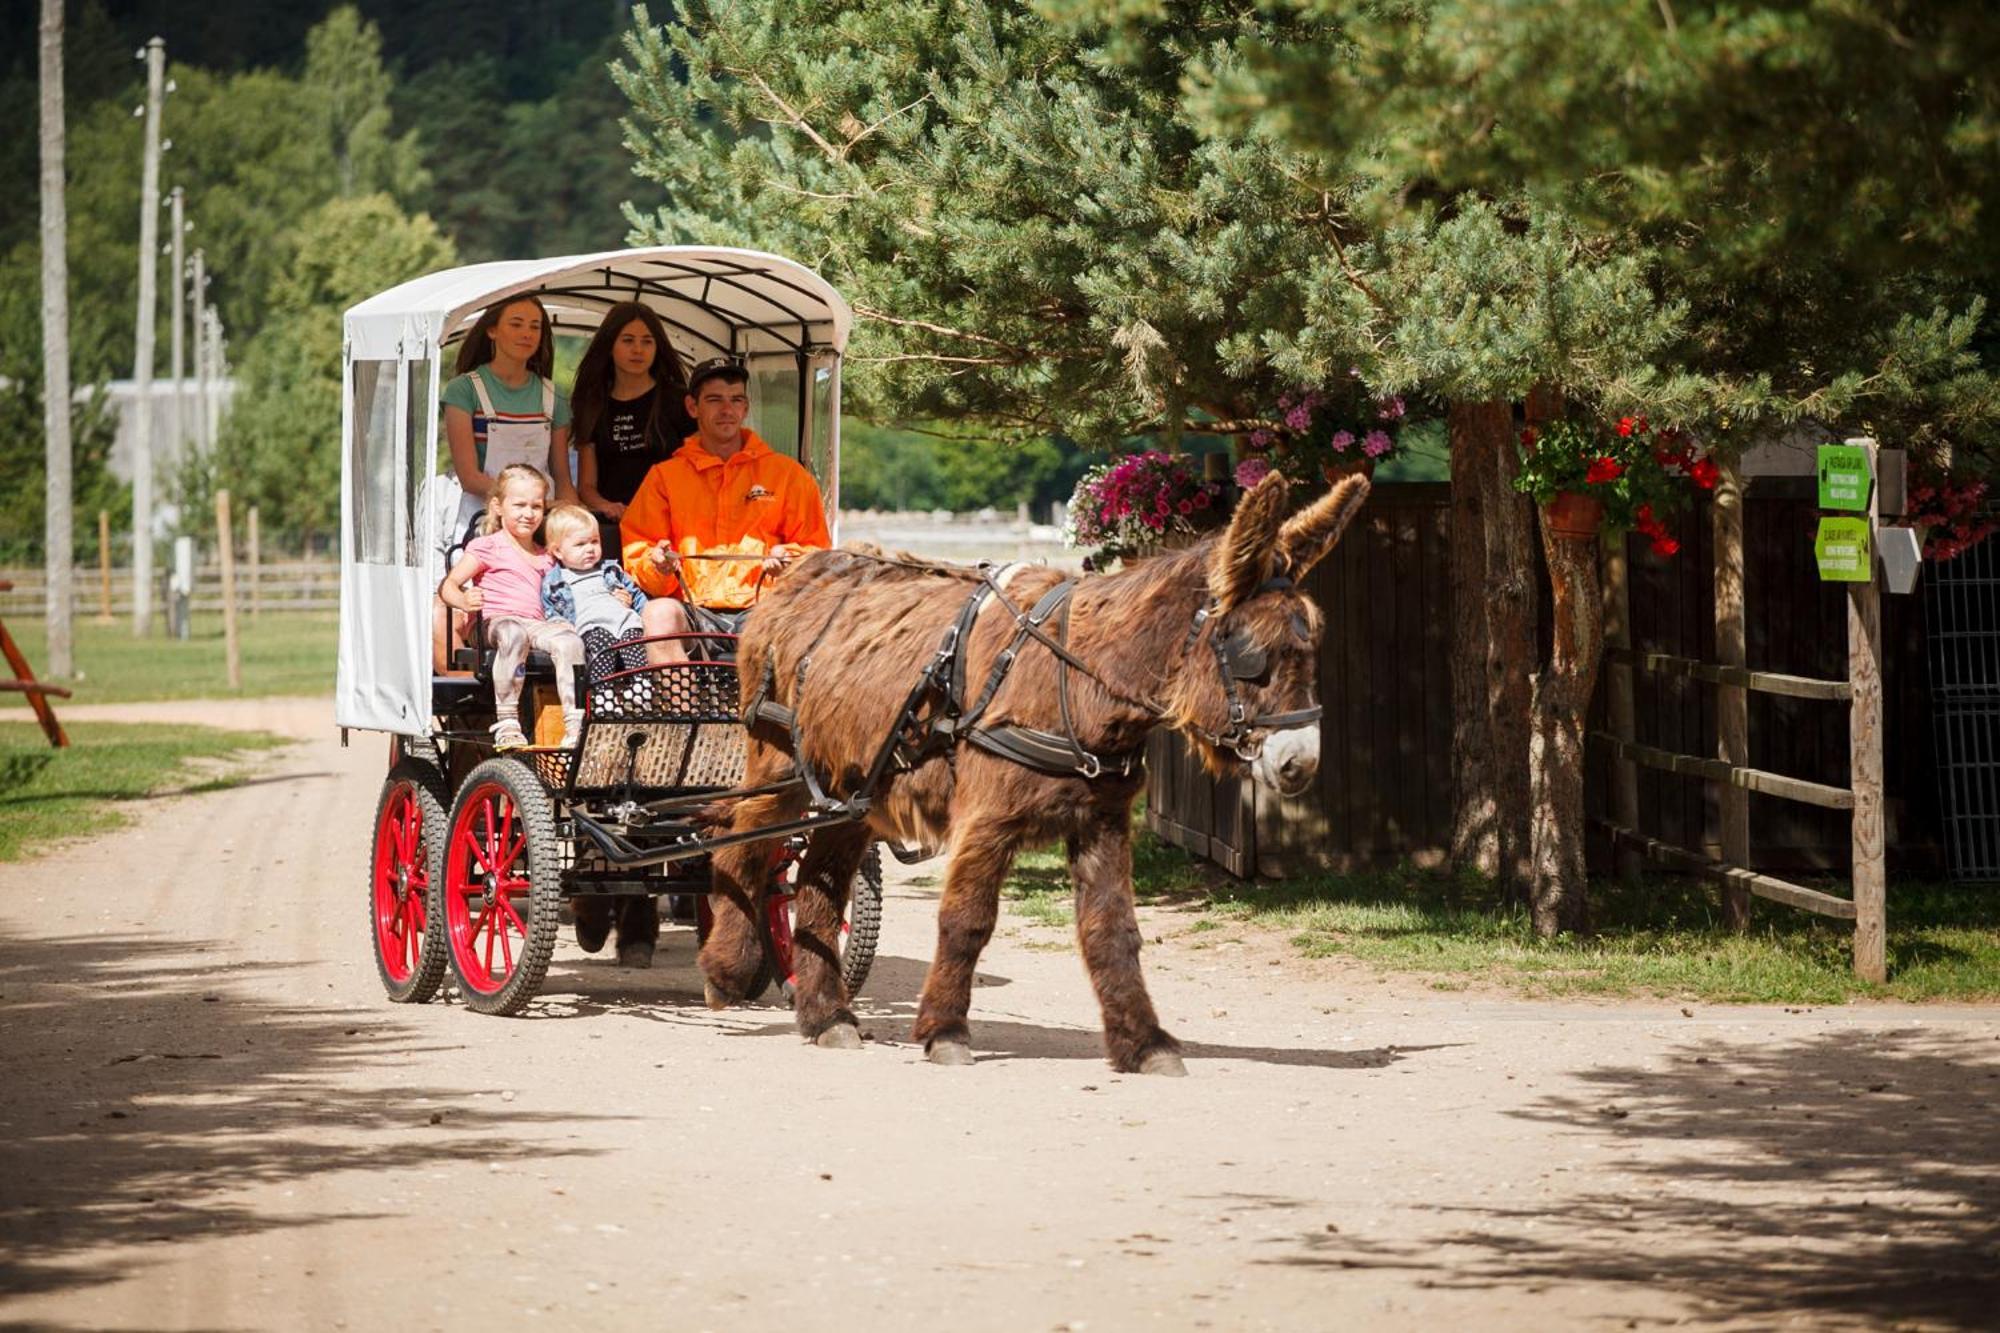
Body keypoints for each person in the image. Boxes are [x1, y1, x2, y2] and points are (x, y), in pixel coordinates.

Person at [619, 358, 832, 661]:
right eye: (715, 400)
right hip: (692, 610)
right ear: (693, 407)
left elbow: (816, 553)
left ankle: (778, 709)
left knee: (803, 621)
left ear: (745, 409)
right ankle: (681, 708)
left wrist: (788, 563)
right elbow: (640, 555)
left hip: (764, 609)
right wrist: (658, 564)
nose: (727, 410)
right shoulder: (664, 477)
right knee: (658, 612)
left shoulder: (788, 474)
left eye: (736, 400)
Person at [438, 465, 586, 751]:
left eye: (536, 506)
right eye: (519, 505)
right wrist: (463, 600)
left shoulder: (547, 556)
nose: (528, 513)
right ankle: (506, 720)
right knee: (514, 633)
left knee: (569, 641)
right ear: (498, 507)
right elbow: (449, 586)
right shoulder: (487, 546)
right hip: (495, 622)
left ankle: (574, 724)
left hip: (535, 624)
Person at [568, 302, 693, 536]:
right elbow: (586, 486)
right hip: (616, 525)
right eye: (628, 340)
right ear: (610, 345)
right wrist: (605, 505)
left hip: (671, 523)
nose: (638, 349)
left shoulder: (679, 400)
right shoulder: (592, 403)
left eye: (647, 341)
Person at [539, 503, 652, 683]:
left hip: (624, 622)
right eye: (580, 544)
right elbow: (551, 610)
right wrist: (560, 624)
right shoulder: (555, 581)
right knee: (601, 648)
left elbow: (637, 596)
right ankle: (602, 690)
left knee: (634, 645)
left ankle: (641, 687)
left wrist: (646, 614)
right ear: (558, 551)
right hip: (591, 627)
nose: (590, 549)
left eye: (594, 541)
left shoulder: (611, 570)